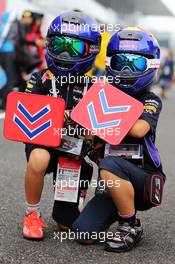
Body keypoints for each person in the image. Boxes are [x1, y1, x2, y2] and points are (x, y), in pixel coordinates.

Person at [73, 27, 166, 253]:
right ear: (109, 63)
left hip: (143, 178)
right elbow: (90, 136)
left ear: (151, 66)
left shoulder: (150, 99)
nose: (126, 69)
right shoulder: (102, 94)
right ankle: (119, 209)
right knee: (83, 234)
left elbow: (139, 129)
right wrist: (89, 135)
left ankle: (130, 224)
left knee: (109, 165)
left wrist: (98, 115)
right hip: (112, 184)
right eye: (121, 61)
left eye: (135, 63)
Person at [23, 11, 101, 240]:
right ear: (49, 44)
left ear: (92, 50)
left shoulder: (95, 85)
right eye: (59, 45)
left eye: (74, 47)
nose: (66, 52)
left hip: (75, 151)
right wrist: (71, 116)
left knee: (66, 224)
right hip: (44, 142)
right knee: (38, 158)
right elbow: (28, 121)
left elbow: (98, 130)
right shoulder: (38, 79)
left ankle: (80, 196)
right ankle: (32, 214)